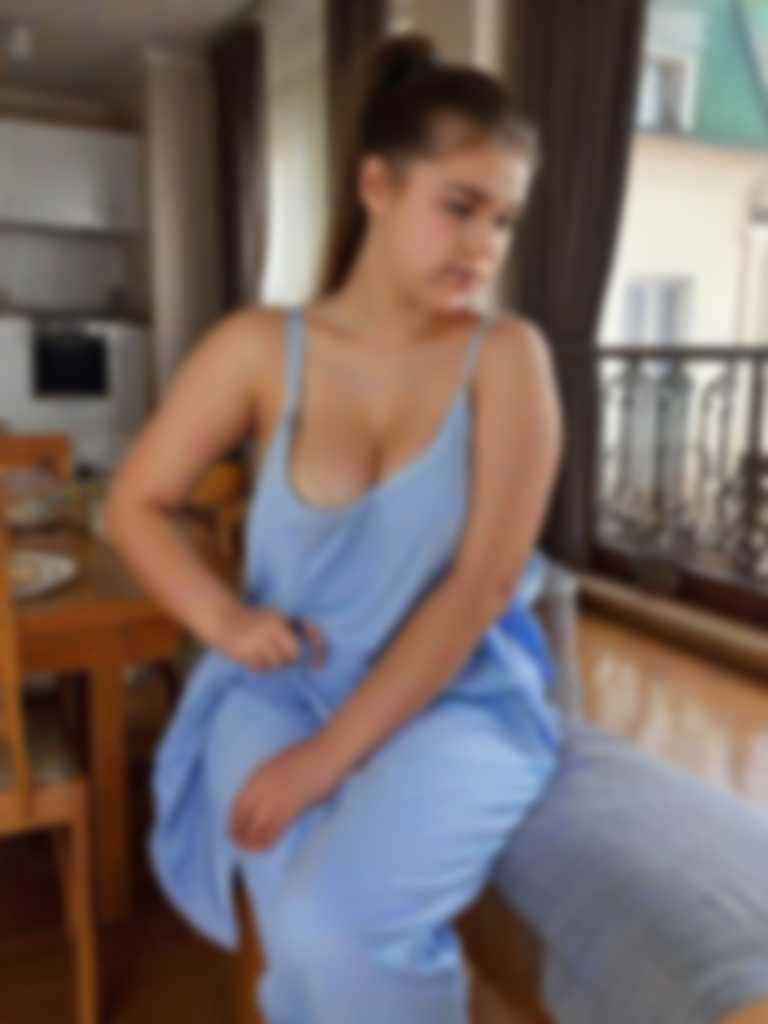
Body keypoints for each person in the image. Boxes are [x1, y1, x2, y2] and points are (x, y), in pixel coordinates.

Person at [104, 30, 768, 1024]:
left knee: (332, 929)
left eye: (503, 219)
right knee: (298, 927)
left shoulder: (509, 360)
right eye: (460, 207)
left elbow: (481, 588)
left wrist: (325, 759)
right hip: (280, 689)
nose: (483, 246)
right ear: (376, 184)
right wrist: (225, 621)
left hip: (458, 701)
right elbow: (133, 502)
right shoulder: (259, 348)